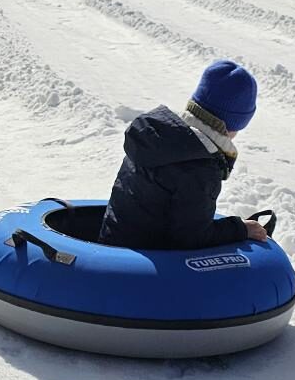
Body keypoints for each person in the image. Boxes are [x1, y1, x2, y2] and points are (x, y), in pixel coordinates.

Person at [98, 59, 266, 250]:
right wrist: (241, 229)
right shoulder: (200, 166)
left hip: (113, 243)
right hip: (142, 266)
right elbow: (192, 238)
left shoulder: (158, 138)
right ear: (233, 125)